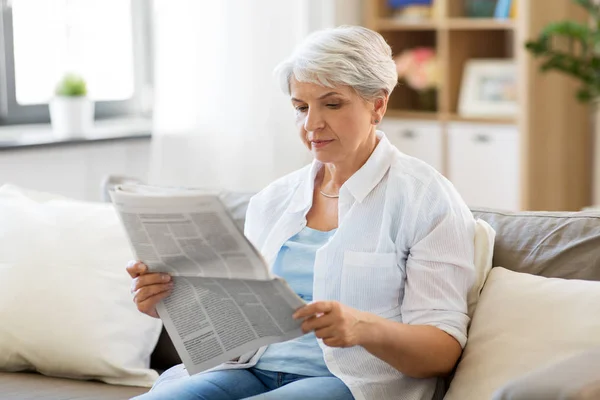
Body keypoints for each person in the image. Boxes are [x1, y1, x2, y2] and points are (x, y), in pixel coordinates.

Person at [128, 25, 475, 400]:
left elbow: (443, 351)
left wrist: (363, 328)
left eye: (332, 103)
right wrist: (175, 307)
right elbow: (243, 323)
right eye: (301, 107)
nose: (311, 124)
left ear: (378, 104)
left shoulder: (425, 198)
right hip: (249, 370)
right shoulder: (274, 200)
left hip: (351, 383)